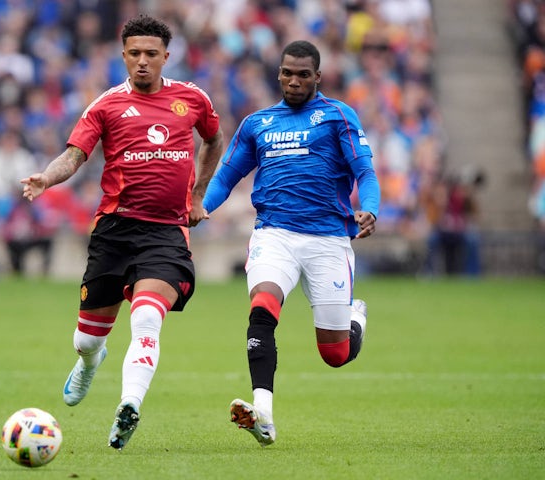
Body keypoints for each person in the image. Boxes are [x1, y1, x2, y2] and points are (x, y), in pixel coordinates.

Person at [20, 14, 223, 450]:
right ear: (124, 56)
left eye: (152, 54)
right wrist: (46, 178)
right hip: (114, 231)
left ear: (167, 56)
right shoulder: (106, 105)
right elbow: (74, 156)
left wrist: (197, 196)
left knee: (148, 317)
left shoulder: (193, 99)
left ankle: (129, 405)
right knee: (87, 338)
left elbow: (214, 139)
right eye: (135, 54)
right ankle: (90, 362)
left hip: (165, 233)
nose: (143, 61)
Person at [203, 40, 380, 447]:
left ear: (318, 77)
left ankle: (356, 318)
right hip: (274, 235)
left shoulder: (338, 116)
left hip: (328, 240)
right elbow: (227, 177)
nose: (294, 80)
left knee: (334, 355)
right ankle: (262, 413)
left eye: (303, 74)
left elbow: (365, 172)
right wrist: (200, 208)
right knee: (262, 309)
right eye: (287, 73)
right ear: (278, 73)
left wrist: (369, 208)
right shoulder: (258, 123)